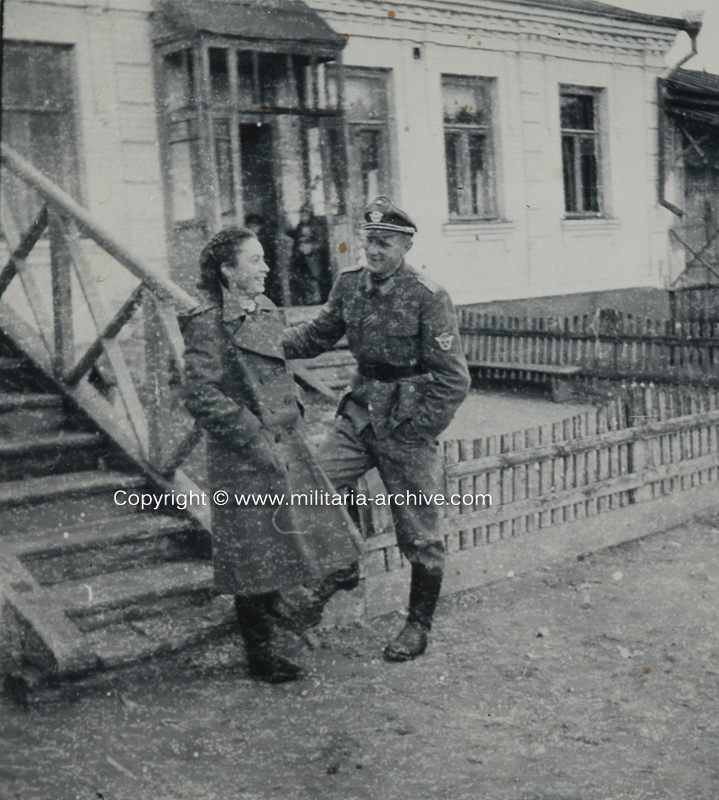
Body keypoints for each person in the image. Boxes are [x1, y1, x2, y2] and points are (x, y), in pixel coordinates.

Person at [283, 196, 470, 662]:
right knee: (314, 486)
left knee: (421, 533)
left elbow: (453, 379)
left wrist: (420, 431)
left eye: (384, 243)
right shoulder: (349, 286)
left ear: (405, 246)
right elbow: (314, 335)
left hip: (406, 423)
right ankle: (343, 566)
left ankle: (417, 624)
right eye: (369, 241)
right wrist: (264, 344)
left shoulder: (429, 296)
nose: (374, 251)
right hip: (361, 411)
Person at [181, 227, 361, 683]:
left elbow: (276, 366)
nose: (265, 268)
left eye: (264, 259)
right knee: (253, 553)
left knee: (323, 537)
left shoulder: (265, 309)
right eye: (254, 261)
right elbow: (200, 395)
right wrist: (253, 433)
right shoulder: (206, 322)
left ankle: (291, 611)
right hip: (243, 453)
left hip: (286, 443)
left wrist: (292, 411)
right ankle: (260, 655)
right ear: (226, 270)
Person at [287, 203, 332, 306]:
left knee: (315, 277)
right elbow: (296, 239)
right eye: (302, 215)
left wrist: (311, 247)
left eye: (306, 215)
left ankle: (318, 298)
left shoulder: (316, 226)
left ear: (310, 215)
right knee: (303, 277)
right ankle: (310, 297)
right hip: (302, 256)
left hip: (314, 256)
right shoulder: (300, 226)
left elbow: (321, 242)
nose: (303, 217)